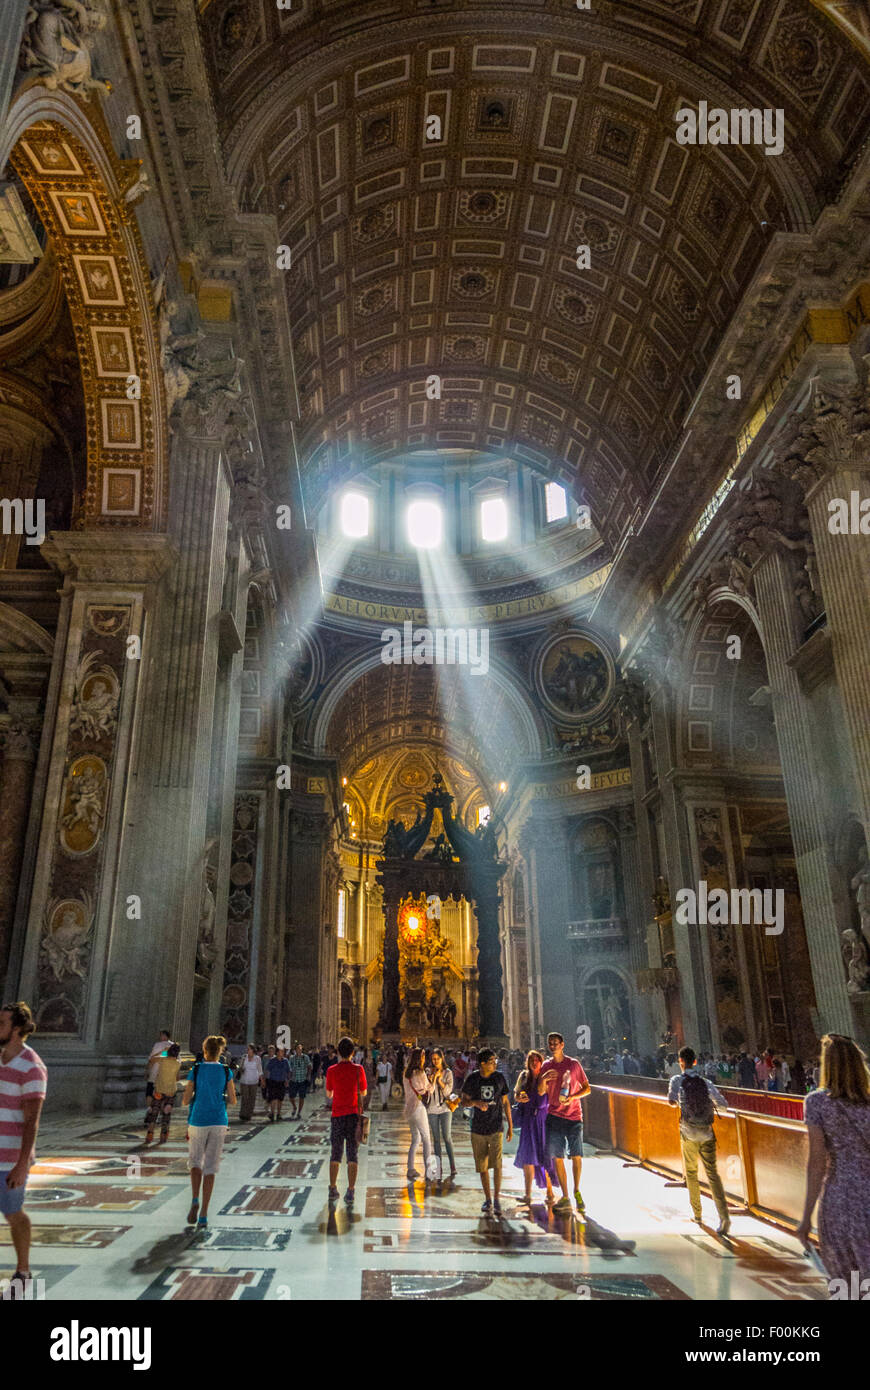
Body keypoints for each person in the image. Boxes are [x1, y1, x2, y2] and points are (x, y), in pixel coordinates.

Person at [797, 1033, 870, 1291]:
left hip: (841, 1201)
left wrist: (805, 1217)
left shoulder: (817, 1102)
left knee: (847, 1285)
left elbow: (817, 1162)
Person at [0, 1001, 47, 1298]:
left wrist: (21, 1164)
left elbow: (32, 1121)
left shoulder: (32, 1066)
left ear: (16, 1029)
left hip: (9, 1157)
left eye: (1, 1023)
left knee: (13, 1213)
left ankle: (23, 1270)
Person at [667, 1044, 731, 1235]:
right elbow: (724, 1105)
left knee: (692, 1172)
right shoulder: (705, 1082)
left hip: (688, 1132)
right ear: (695, 1061)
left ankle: (698, 1215)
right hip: (707, 1132)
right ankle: (724, 1217)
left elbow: (670, 1100)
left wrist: (682, 1103)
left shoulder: (677, 1080)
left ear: (681, 1062)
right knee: (713, 1174)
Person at [182, 1034, 235, 1229]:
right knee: (210, 1167)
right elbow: (233, 1099)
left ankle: (195, 1198)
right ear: (220, 1052)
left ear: (204, 1051)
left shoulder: (196, 1070)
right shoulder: (226, 1071)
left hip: (198, 1120)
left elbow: (186, 1099)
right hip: (218, 1120)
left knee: (195, 1162)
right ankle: (204, 1213)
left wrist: (195, 1097)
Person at [538, 1031, 591, 1215]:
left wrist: (573, 1097)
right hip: (554, 1115)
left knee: (576, 1155)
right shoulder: (546, 1065)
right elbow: (540, 1091)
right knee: (557, 1156)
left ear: (562, 1044)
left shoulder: (574, 1064)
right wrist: (543, 1080)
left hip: (574, 1115)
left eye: (555, 1043)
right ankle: (566, 1195)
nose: (552, 1046)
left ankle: (576, 1189)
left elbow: (587, 1088)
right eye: (550, 1043)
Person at [460, 1048, 512, 1215]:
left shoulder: (499, 1078)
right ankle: (487, 1198)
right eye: (491, 1061)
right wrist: (476, 1103)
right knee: (482, 1165)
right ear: (482, 1064)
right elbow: (463, 1101)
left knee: (497, 1164)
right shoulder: (473, 1079)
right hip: (478, 1128)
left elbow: (505, 1102)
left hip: (496, 1126)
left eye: (495, 1060)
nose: (494, 1063)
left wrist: (510, 1124)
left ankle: (496, 1199)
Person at [325, 1036, 367, 1206]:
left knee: (335, 1153)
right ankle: (350, 1190)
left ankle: (333, 1187)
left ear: (338, 1052)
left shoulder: (331, 1070)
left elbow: (329, 1094)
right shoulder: (359, 1069)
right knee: (352, 1154)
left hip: (337, 1116)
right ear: (352, 1052)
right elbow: (363, 1092)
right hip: (353, 1117)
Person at [513, 1049, 555, 1209]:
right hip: (528, 1120)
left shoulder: (546, 1076)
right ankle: (527, 1194)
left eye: (537, 1060)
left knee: (546, 1156)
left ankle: (550, 1192)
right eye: (531, 1060)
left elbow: (548, 1095)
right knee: (527, 1158)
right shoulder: (524, 1076)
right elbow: (516, 1093)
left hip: (543, 1119)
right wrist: (518, 1097)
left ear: (541, 1061)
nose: (534, 1063)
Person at [403, 1047, 433, 1182]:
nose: (424, 1059)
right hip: (418, 1108)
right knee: (426, 1138)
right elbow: (427, 1089)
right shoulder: (419, 1073)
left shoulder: (406, 1072)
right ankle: (428, 1170)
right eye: (423, 1056)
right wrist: (431, 1081)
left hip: (409, 1109)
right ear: (419, 1058)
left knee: (416, 1138)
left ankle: (410, 1168)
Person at [427, 1047, 456, 1181]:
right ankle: (438, 1167)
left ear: (442, 1058)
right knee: (436, 1139)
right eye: (433, 1059)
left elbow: (448, 1092)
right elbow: (428, 1091)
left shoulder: (448, 1073)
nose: (436, 1061)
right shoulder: (428, 1072)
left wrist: (439, 1080)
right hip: (432, 1109)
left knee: (447, 1137)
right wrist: (432, 1079)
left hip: (445, 1108)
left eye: (438, 1059)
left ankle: (452, 1165)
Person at [144, 1042, 181, 1144]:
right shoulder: (178, 1063)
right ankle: (163, 1135)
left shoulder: (162, 1060)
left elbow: (152, 1059)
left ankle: (150, 1134)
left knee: (154, 1112)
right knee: (166, 1113)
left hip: (159, 1090)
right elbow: (177, 1078)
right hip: (170, 1091)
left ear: (168, 1052)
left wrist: (163, 1051)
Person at [236, 1043, 263, 1121]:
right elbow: (239, 1068)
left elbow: (260, 1070)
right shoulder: (244, 1057)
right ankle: (243, 1113)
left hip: (254, 1081)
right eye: (247, 1049)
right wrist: (240, 1068)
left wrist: (262, 1080)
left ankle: (249, 1114)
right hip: (244, 1081)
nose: (247, 1051)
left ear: (253, 1050)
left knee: (252, 1098)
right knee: (245, 1098)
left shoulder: (257, 1058)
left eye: (249, 1049)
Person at [264, 1046, 290, 1122]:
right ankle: (272, 1113)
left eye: (283, 1052)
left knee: (280, 1099)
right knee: (273, 1098)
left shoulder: (285, 1061)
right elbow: (267, 1070)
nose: (282, 1053)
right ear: (277, 1052)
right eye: (281, 1051)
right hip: (273, 1081)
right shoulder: (272, 1060)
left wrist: (287, 1080)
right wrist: (265, 1080)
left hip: (282, 1082)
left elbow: (288, 1071)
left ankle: (279, 1113)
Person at [287, 1043, 312, 1119]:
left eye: (300, 1049)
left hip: (302, 1079)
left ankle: (299, 1112)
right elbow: (289, 1067)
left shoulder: (305, 1057)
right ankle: (294, 1107)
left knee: (302, 1097)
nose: (299, 1050)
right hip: (294, 1079)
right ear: (295, 1050)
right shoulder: (292, 1058)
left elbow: (309, 1066)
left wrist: (308, 1075)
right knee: (291, 1096)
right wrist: (288, 1077)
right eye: (298, 1049)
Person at [145, 1029, 171, 1102]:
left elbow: (152, 1059)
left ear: (164, 1036)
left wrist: (147, 1071)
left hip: (155, 1072)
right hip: (168, 1075)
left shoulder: (158, 1045)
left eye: (161, 1035)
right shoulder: (174, 1045)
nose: (160, 1037)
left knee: (150, 1091)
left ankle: (149, 1107)